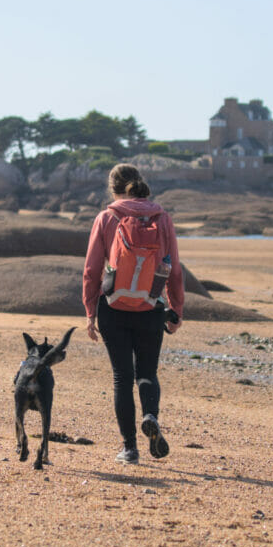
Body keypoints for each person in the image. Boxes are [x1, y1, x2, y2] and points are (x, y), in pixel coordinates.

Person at [82, 164, 184, 464]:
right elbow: (173, 269)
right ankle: (150, 414)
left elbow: (91, 270)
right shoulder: (162, 219)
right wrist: (175, 308)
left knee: (121, 378)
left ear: (112, 188)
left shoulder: (106, 217)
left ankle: (129, 449)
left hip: (112, 306)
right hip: (151, 306)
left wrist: (90, 311)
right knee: (147, 372)